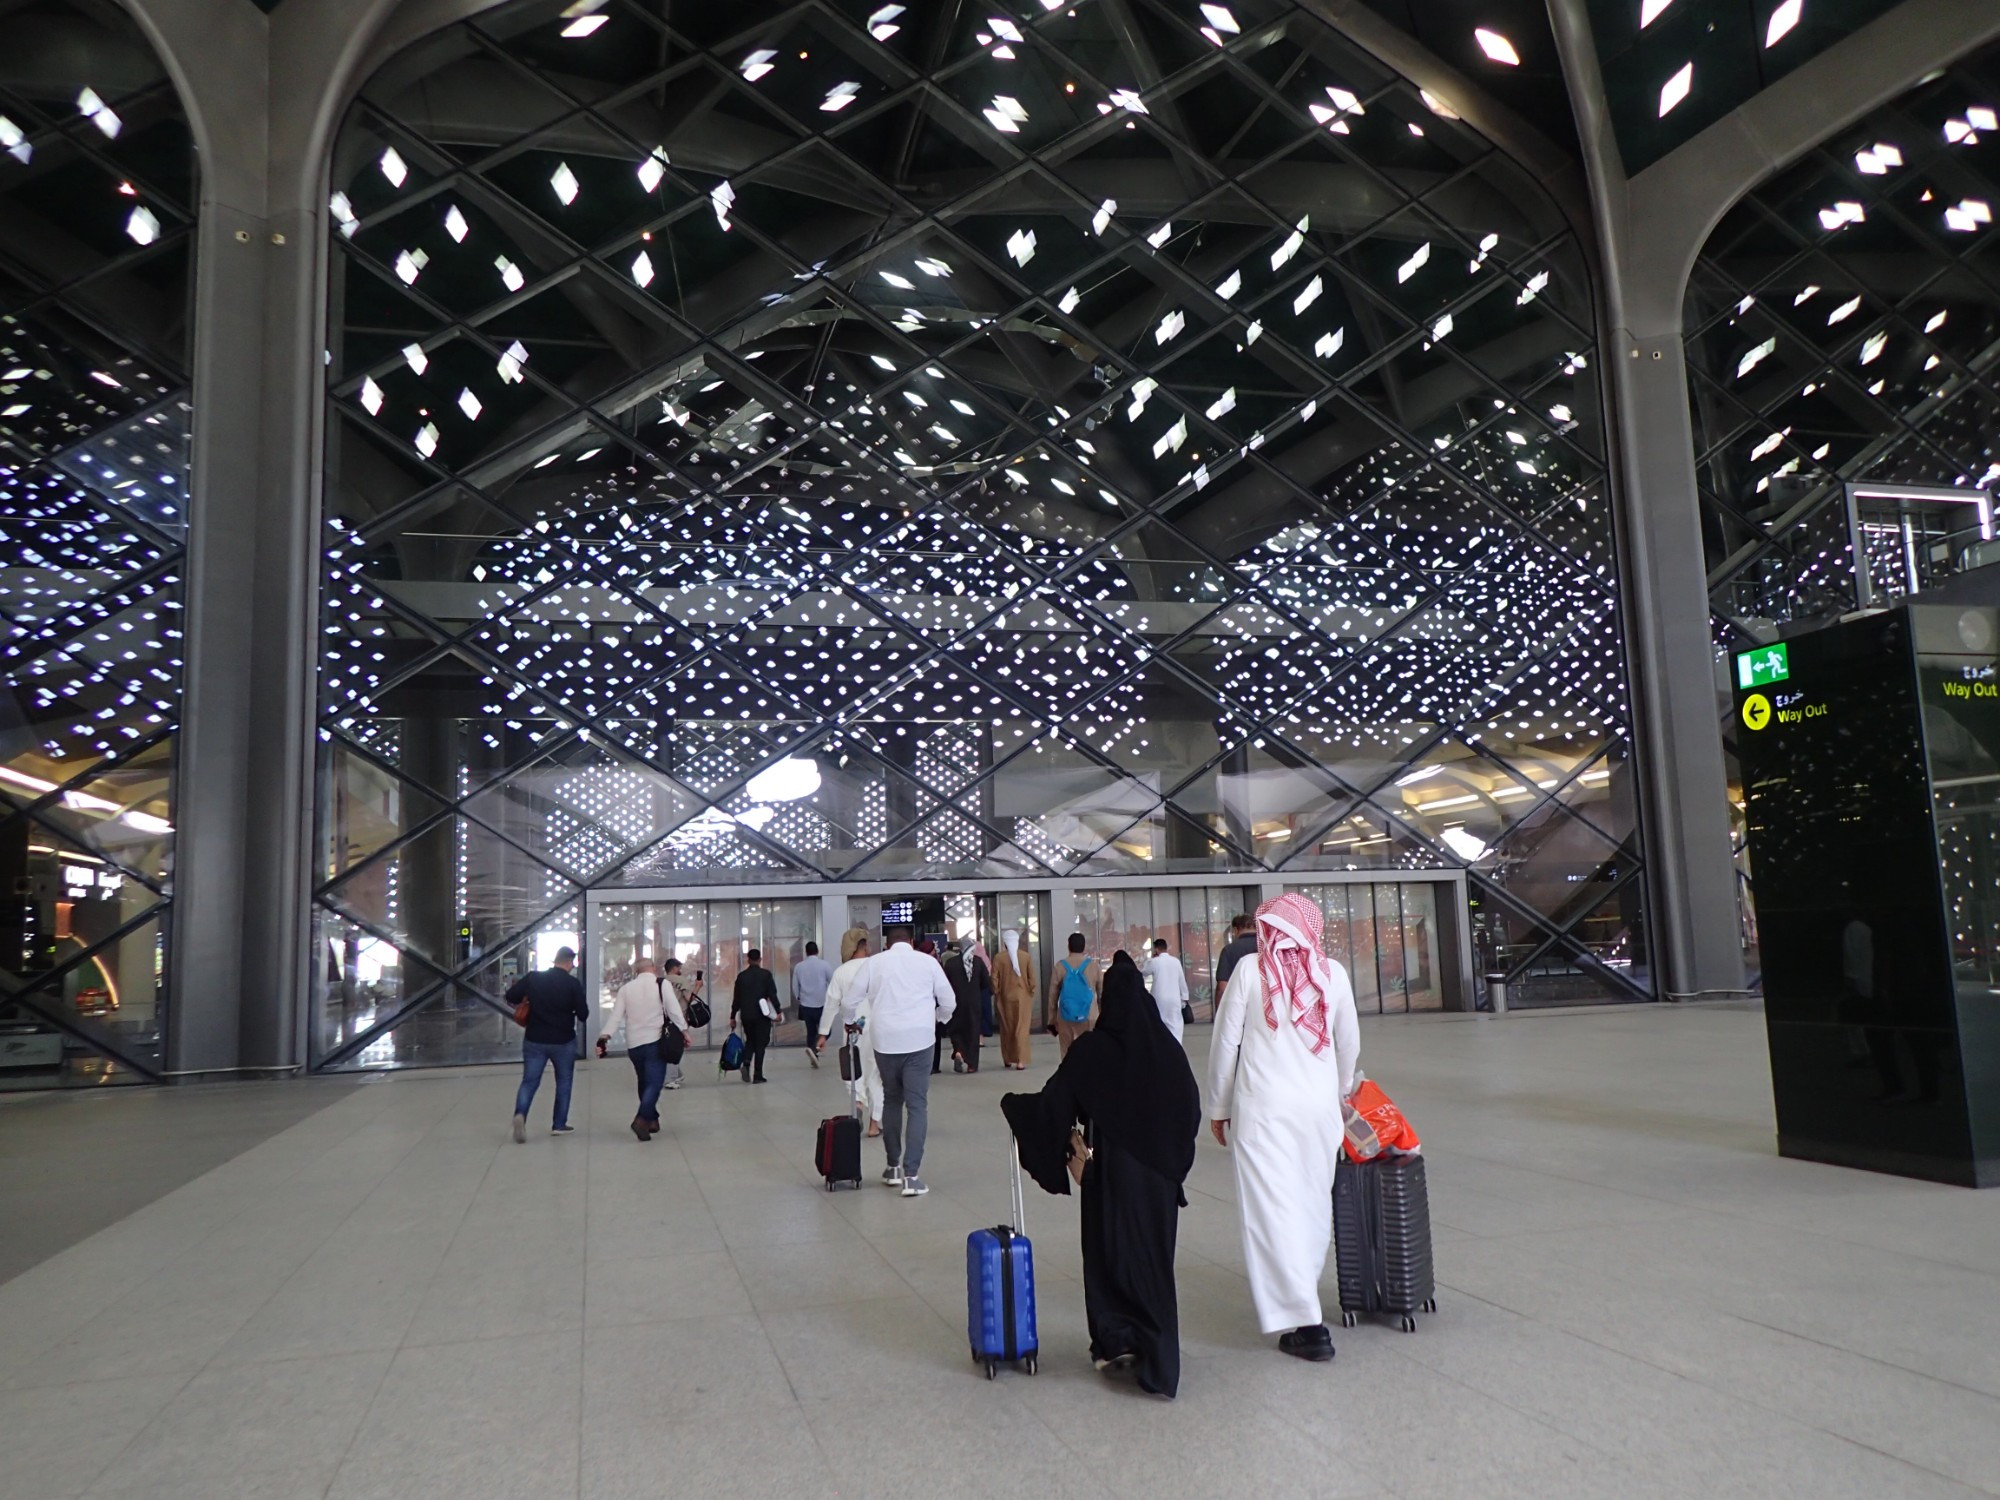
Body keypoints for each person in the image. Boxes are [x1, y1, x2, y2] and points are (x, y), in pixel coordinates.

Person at [1002, 950, 1200, 1398]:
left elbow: (1055, 1102)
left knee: (1108, 1253)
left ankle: (1114, 1339)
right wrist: (1172, 1165)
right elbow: (1190, 1110)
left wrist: (1015, 1107)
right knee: (1151, 1262)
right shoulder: (1167, 1051)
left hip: (1110, 1175)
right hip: (1158, 1181)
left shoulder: (1093, 1049)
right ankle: (1159, 1356)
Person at [1208, 893, 1362, 1362]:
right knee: (1313, 1205)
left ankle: (1308, 1323)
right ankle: (1304, 1302)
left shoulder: (1251, 971)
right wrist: (1337, 1097)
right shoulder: (1331, 973)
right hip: (1318, 1112)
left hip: (1264, 1111)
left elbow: (1225, 1042)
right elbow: (1348, 1045)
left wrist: (1217, 1105)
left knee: (1272, 1210)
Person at [837, 925, 954, 1196]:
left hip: (885, 1041)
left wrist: (849, 1022)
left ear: (887, 944)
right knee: (917, 1105)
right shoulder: (928, 963)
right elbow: (949, 1001)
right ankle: (912, 1176)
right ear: (911, 942)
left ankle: (892, 1168)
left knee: (891, 1099)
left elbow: (849, 1000)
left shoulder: (874, 963)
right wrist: (938, 1019)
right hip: (920, 1042)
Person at [508, 946, 589, 1142]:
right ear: (569, 963)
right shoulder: (572, 983)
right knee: (564, 1081)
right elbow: (583, 1014)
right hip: (563, 1040)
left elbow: (511, 996)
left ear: (555, 959)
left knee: (529, 1081)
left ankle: (521, 1114)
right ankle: (559, 1124)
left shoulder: (534, 978)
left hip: (535, 1038)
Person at [598, 956, 679, 1142]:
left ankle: (653, 1120)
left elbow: (616, 1016)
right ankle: (641, 1119)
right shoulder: (662, 984)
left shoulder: (626, 989)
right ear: (652, 968)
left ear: (636, 971)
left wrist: (605, 1036)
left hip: (634, 1045)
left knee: (644, 1081)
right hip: (655, 1041)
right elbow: (673, 1010)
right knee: (655, 1083)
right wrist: (683, 1030)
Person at [816, 928, 883, 1135]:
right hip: (880, 1029)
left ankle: (858, 1104)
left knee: (853, 1072)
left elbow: (831, 1005)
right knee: (876, 1077)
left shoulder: (841, 972)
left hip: (853, 1028)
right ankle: (874, 1124)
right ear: (865, 946)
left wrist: (823, 1033)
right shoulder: (878, 967)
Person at [731, 948, 781, 1084]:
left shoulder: (741, 977)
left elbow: (736, 999)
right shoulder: (765, 975)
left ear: (748, 959)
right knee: (760, 1043)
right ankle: (758, 1074)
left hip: (746, 1014)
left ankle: (746, 1063)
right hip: (761, 1014)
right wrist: (778, 1011)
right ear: (760, 959)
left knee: (751, 1040)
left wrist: (732, 1016)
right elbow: (772, 994)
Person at [993, 928, 1036, 1070]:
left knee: (1007, 1027)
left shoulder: (999, 958)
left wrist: (997, 992)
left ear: (1005, 943)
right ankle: (1020, 1061)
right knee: (1022, 1028)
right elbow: (1032, 979)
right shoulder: (1026, 957)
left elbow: (994, 979)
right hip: (1023, 997)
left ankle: (1007, 1058)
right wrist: (1031, 991)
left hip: (1005, 998)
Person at [1053, 932, 1100, 1058]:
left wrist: (1051, 1020)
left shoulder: (1060, 966)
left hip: (1065, 1015)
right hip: (1089, 1015)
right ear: (1084, 947)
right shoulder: (1094, 966)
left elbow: (1052, 995)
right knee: (1090, 1052)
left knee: (1066, 1053)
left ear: (1069, 946)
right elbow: (1102, 994)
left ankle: (1068, 1076)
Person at [793, 940, 833, 1070]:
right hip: (822, 1003)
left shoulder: (799, 966)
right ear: (817, 951)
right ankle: (816, 1047)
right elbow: (832, 982)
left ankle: (813, 1051)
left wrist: (799, 997)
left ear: (806, 952)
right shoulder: (824, 965)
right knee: (827, 1030)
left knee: (811, 1032)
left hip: (806, 1004)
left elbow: (795, 986)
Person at [943, 942, 981, 1074]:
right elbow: (985, 983)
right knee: (973, 1031)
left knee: (957, 1029)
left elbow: (945, 983)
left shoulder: (951, 963)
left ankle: (959, 1051)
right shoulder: (978, 962)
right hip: (973, 1003)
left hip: (956, 1002)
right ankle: (971, 1065)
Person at [1144, 938, 1190, 1043]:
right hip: (1174, 999)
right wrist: (1184, 997)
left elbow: (1143, 973)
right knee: (1175, 1027)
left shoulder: (1154, 962)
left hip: (1158, 999)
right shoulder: (1176, 961)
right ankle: (1177, 1049)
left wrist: (1150, 960)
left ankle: (1162, 1049)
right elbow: (1181, 981)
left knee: (1158, 1025)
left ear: (1156, 949)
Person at [661, 958, 696, 1090]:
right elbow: (689, 999)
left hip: (663, 1019)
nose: (680, 970)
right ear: (675, 968)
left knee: (669, 1045)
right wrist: (697, 987)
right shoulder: (681, 981)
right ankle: (670, 1078)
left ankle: (677, 1074)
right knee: (675, 1048)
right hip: (678, 1018)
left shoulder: (661, 981)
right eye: (679, 968)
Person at [1215, 913, 1257, 989]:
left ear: (1235, 930)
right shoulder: (1269, 947)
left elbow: (1222, 986)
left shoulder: (1229, 950)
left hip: (1240, 999)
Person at [970, 936, 997, 1038]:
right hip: (985, 988)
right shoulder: (985, 959)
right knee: (986, 1010)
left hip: (976, 988)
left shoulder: (972, 960)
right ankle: (987, 1030)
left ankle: (978, 1030)